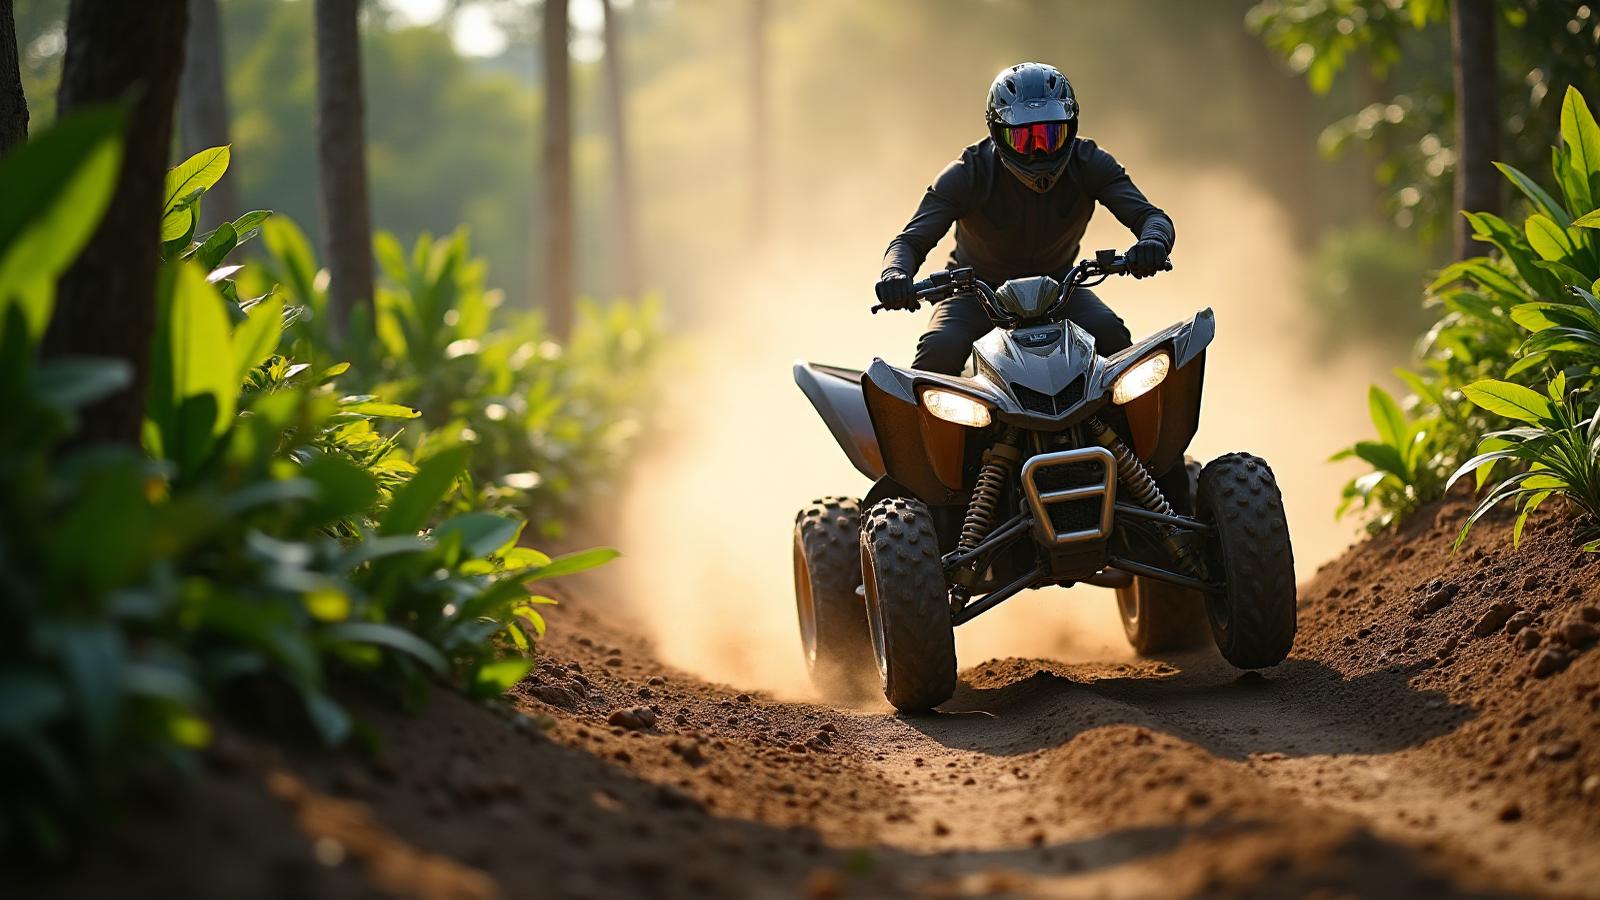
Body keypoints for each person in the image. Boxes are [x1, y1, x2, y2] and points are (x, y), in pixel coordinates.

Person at [876, 62, 1175, 375]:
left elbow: (1151, 217)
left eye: (1051, 136)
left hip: (1061, 290)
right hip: (975, 295)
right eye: (1024, 139)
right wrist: (895, 274)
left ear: (1071, 128)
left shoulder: (1090, 162)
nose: (1039, 152)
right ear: (997, 135)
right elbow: (909, 241)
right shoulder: (967, 173)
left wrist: (1152, 241)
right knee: (939, 351)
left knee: (1114, 339)